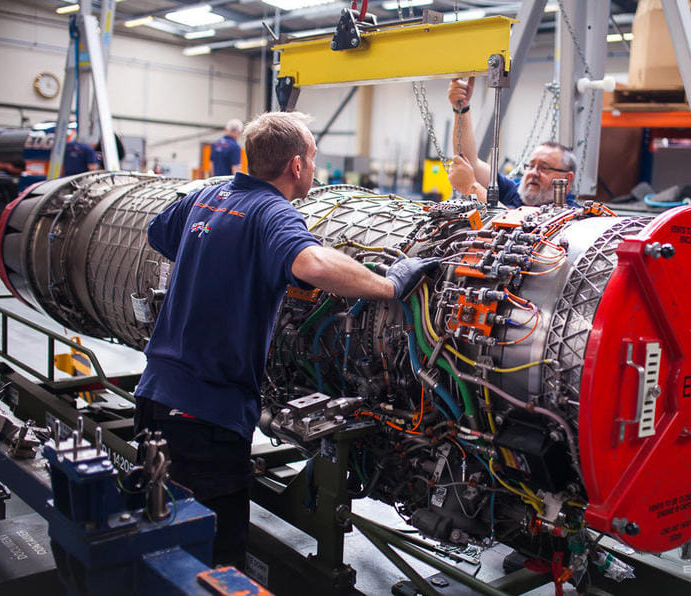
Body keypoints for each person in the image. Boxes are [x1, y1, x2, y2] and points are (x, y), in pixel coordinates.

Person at [134, 111, 437, 569]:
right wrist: (389, 285)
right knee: (213, 561)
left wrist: (218, 258)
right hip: (205, 417)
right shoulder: (271, 211)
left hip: (154, 396)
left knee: (165, 535)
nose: (314, 168)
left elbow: (159, 232)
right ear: (296, 166)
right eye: (313, 158)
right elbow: (313, 265)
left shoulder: (209, 194)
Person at [446, 78, 577, 207]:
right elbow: (470, 164)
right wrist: (462, 109)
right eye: (530, 166)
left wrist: (472, 188)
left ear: (567, 179)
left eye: (544, 168)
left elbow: (518, 224)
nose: (533, 173)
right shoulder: (514, 192)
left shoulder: (573, 216)